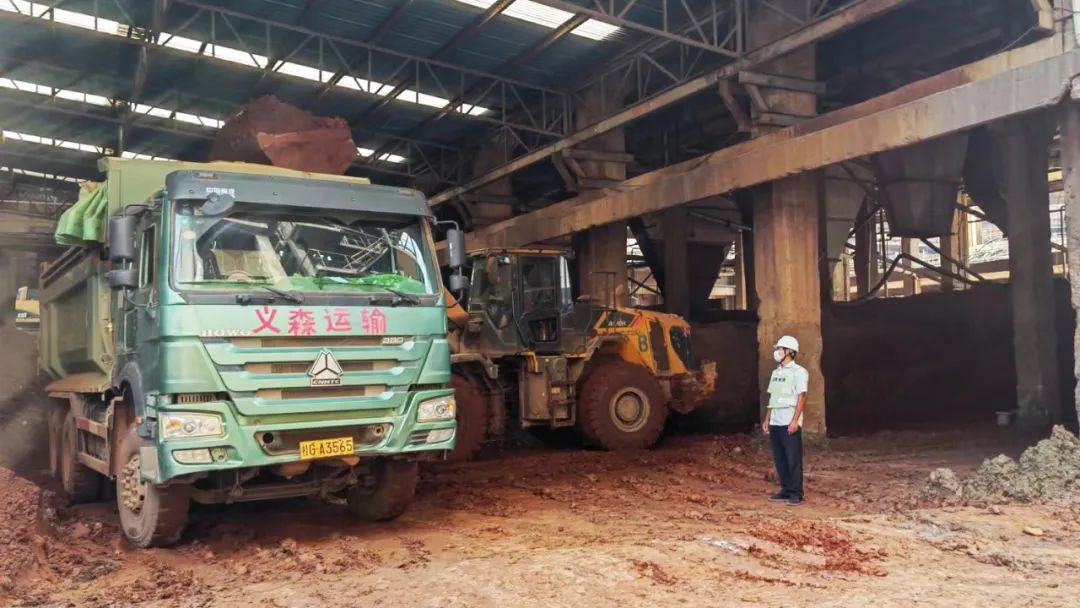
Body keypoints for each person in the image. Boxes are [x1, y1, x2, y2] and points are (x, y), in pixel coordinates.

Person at [761, 335, 807, 506]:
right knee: (780, 458)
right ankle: (786, 489)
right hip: (775, 421)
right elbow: (773, 397)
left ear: (789, 352)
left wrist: (795, 421)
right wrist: (767, 419)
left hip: (789, 422)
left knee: (792, 458)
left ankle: (796, 493)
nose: (777, 352)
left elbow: (802, 397)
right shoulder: (776, 372)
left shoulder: (799, 372)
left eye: (780, 349)